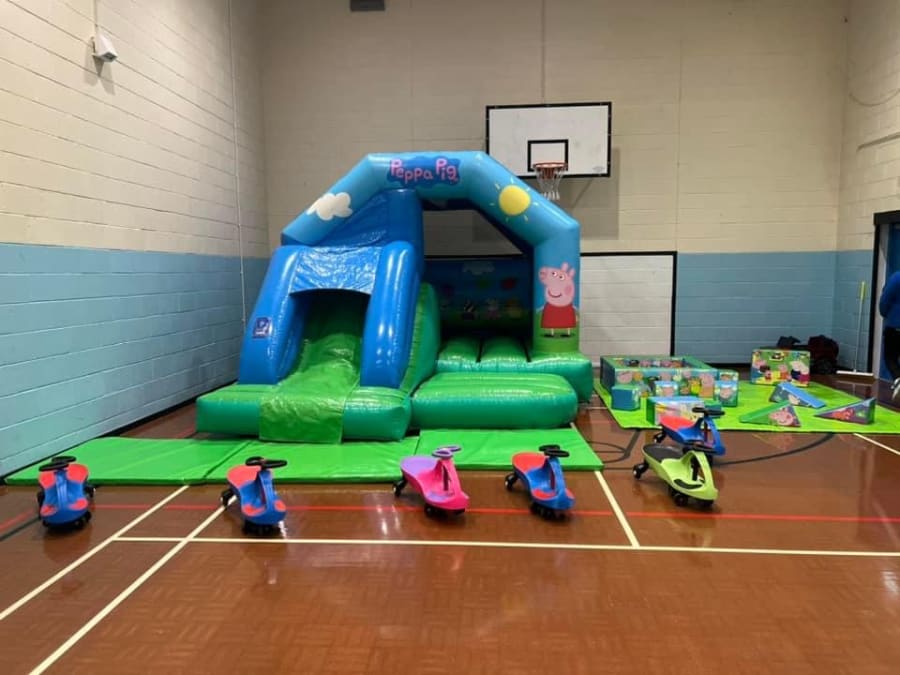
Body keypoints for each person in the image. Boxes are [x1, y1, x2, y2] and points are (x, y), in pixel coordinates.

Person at [878, 271, 900, 397]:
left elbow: (884, 301)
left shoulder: (896, 277)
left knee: (890, 357)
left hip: (895, 326)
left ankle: (898, 378)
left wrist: (886, 314)